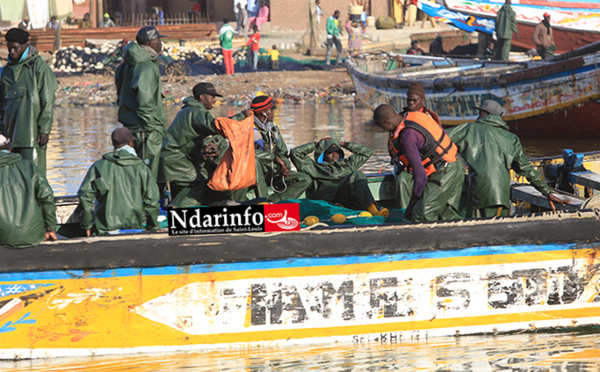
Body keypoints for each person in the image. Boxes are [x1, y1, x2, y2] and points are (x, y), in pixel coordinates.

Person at [448, 100, 565, 218]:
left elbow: (440, 137)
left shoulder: (469, 129)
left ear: (487, 114)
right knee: (498, 232)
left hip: (479, 194)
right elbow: (526, 169)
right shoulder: (511, 138)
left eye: (481, 112)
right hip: (501, 197)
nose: (478, 115)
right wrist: (547, 192)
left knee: (477, 232)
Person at [373, 82, 464, 222]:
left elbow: (420, 176)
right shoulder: (413, 116)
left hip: (446, 170)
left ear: (387, 124)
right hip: (450, 165)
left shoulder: (407, 137)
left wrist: (411, 205)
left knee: (421, 214)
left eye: (382, 127)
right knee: (445, 214)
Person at [159, 82, 249, 207]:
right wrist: (241, 116)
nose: (214, 100)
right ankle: (177, 208)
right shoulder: (196, 111)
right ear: (202, 97)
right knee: (201, 184)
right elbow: (215, 126)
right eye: (212, 97)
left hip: (172, 160)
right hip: (176, 162)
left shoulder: (187, 110)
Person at [78, 127, 160, 236]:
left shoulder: (98, 166)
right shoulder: (142, 168)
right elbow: (152, 200)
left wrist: (87, 225)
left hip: (105, 229)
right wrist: (152, 227)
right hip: (135, 227)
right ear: (130, 143)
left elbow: (85, 196)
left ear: (113, 144)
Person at [0, 28, 58, 178]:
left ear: (25, 45)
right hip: (9, 138)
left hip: (32, 137)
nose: (12, 52)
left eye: (15, 48)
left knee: (34, 178)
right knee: (14, 180)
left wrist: (44, 129)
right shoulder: (5, 72)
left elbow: (47, 101)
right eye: (9, 48)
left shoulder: (39, 68)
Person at [115, 26, 167, 180]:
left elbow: (120, 92)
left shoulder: (125, 65)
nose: (161, 43)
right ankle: (148, 203)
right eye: (159, 40)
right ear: (150, 42)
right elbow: (145, 102)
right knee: (148, 176)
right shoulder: (146, 66)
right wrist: (152, 128)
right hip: (146, 130)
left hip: (130, 126)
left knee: (134, 172)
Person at [291, 138, 388, 216]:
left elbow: (367, 151)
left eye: (337, 151)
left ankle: (373, 209)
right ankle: (363, 209)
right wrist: (317, 144)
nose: (335, 154)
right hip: (327, 198)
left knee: (357, 175)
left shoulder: (347, 165)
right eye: (330, 152)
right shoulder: (313, 167)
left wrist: (343, 144)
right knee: (355, 176)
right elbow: (295, 153)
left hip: (344, 196)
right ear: (322, 154)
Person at [0, 135, 56, 248]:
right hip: (32, 235)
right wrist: (50, 228)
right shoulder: (30, 166)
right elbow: (47, 198)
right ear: (10, 149)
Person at [251, 95, 311, 202]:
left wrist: (285, 166)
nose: (274, 113)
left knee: (304, 179)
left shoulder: (273, 128)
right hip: (253, 174)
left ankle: (272, 202)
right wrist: (274, 158)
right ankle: (263, 201)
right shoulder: (247, 128)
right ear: (263, 112)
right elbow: (247, 153)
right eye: (271, 110)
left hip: (274, 171)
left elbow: (283, 151)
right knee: (255, 162)